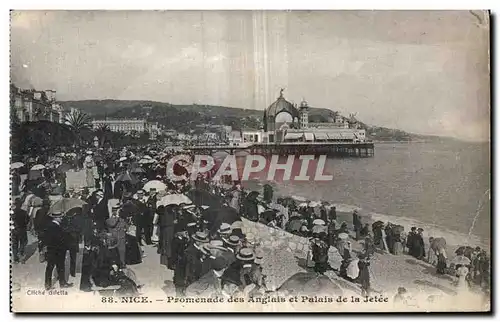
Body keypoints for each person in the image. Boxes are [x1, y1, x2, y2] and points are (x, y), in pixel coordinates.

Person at [44, 210, 73, 290]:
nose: (61, 218)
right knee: (57, 267)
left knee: (52, 267)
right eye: (60, 217)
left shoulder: (51, 225)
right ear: (56, 218)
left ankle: (48, 284)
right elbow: (58, 238)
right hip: (57, 250)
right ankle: (62, 283)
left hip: (52, 250)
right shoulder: (54, 226)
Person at [106, 204, 129, 268]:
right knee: (113, 253)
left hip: (121, 237)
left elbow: (126, 227)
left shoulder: (122, 219)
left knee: (122, 252)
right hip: (114, 239)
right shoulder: (109, 220)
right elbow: (112, 224)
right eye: (115, 210)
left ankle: (122, 264)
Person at [12, 198, 30, 264]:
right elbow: (28, 220)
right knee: (23, 242)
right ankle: (21, 254)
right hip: (22, 229)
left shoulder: (12, 212)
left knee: (14, 244)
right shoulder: (24, 212)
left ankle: (15, 259)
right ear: (21, 204)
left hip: (14, 230)